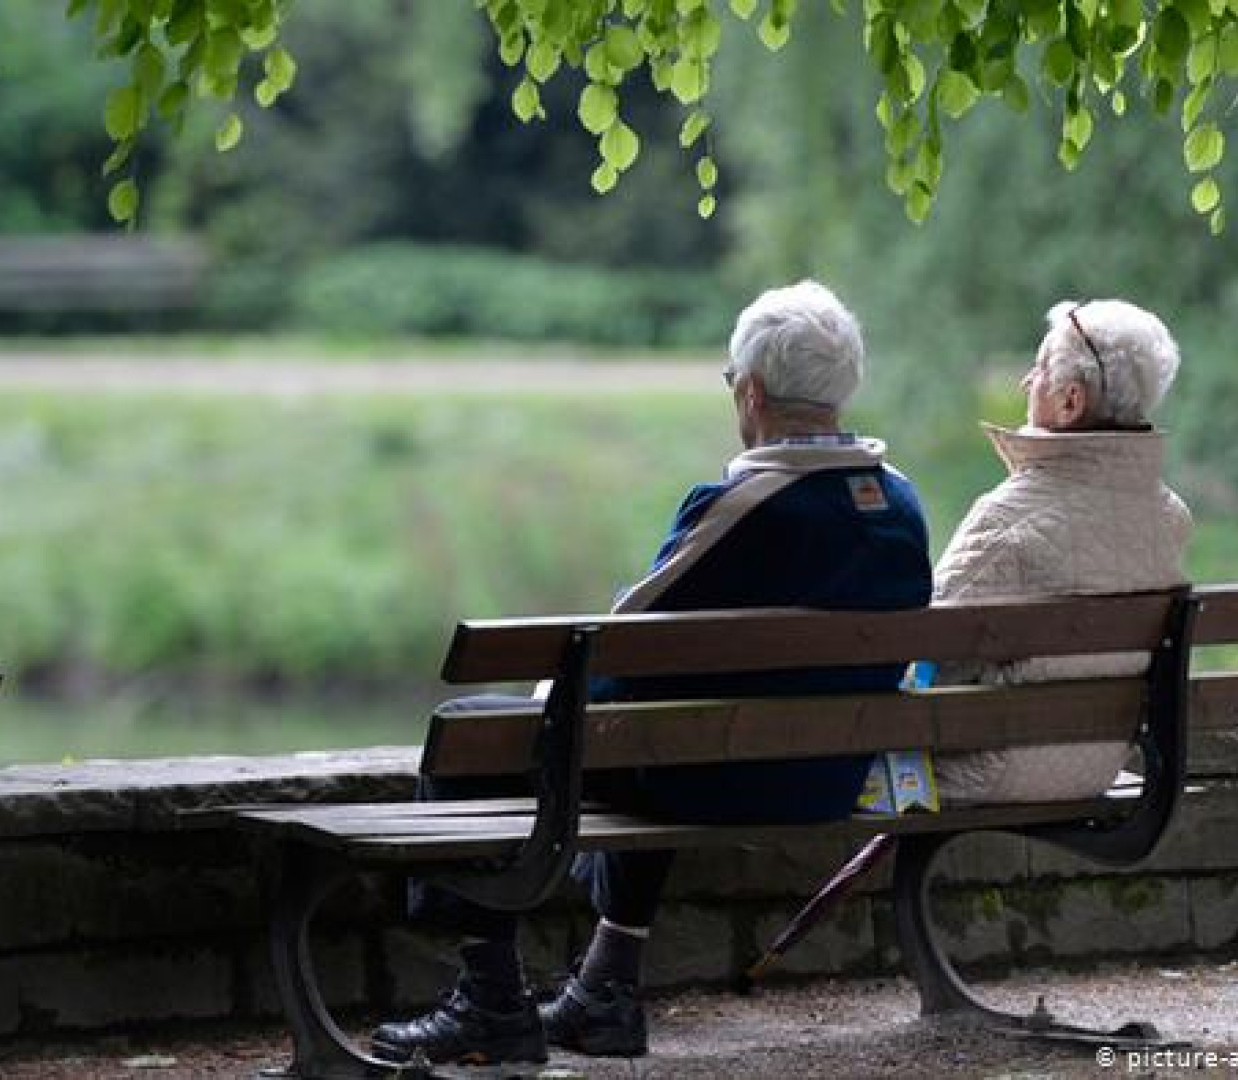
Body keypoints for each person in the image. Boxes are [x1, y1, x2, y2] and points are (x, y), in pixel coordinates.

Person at [370, 280, 933, 1066]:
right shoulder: (900, 505)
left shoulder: (743, 505)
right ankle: (605, 987)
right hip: (827, 778)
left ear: (753, 391)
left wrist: (546, 710)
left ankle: (490, 1001)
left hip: (722, 777)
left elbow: (617, 641)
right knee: (663, 723)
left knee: (480, 733)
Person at [928, 298, 1189, 805]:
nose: (1027, 383)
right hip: (1095, 768)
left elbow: (925, 652)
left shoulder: (1007, 519)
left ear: (1070, 402)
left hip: (987, 769)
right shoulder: (1171, 518)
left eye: (1040, 367)